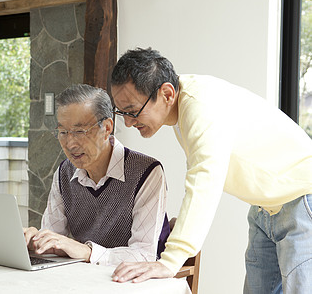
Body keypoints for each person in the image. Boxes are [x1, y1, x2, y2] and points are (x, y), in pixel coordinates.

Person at [110, 47, 312, 293]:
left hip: (302, 201)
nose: (129, 123)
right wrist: (181, 228)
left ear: (166, 93)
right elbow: (199, 170)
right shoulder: (183, 107)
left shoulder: (200, 106)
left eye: (132, 111)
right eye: (122, 113)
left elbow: (204, 182)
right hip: (264, 209)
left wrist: (170, 261)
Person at [23, 84, 170, 266]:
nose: (70, 144)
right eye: (63, 132)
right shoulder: (64, 173)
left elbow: (144, 254)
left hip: (139, 282)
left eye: (79, 131)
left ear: (107, 128)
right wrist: (35, 241)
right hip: (87, 278)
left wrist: (88, 252)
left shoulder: (146, 172)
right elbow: (53, 237)